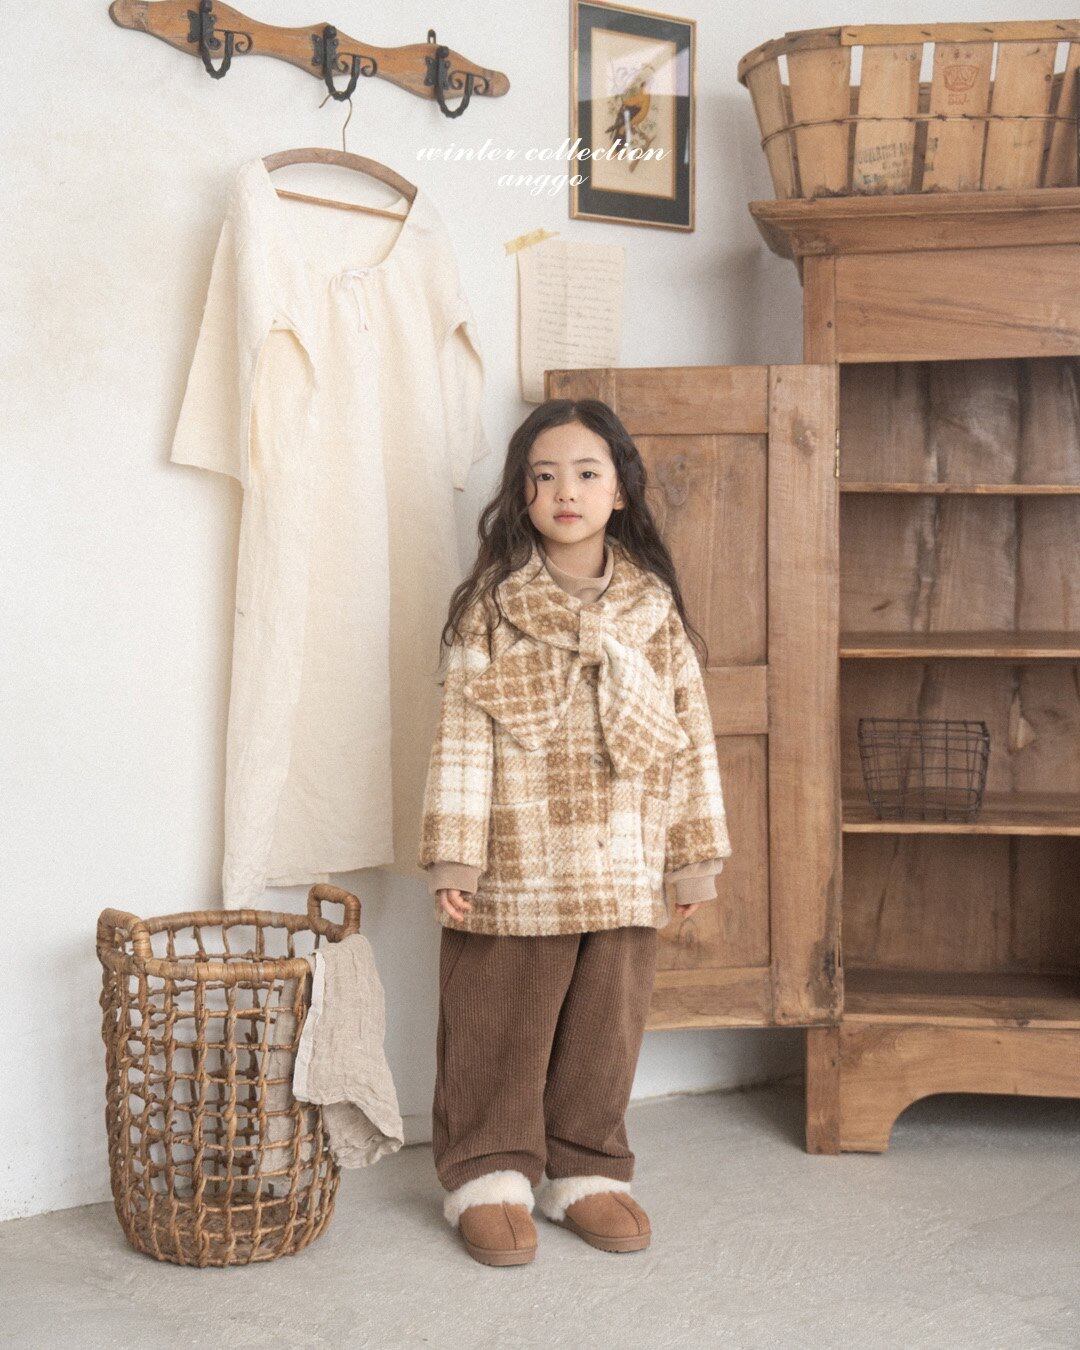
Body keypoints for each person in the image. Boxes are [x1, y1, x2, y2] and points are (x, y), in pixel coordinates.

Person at [416, 397, 732, 1266]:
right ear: (522, 494)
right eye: (545, 475)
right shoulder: (490, 609)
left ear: (620, 490)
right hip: (518, 855)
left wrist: (692, 859)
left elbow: (690, 735)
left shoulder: (653, 611)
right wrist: (455, 856)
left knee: (606, 1022)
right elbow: (461, 735)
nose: (566, 491)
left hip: (624, 854)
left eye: (587, 473)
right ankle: (488, 1175)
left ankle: (586, 1169)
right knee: (498, 1018)